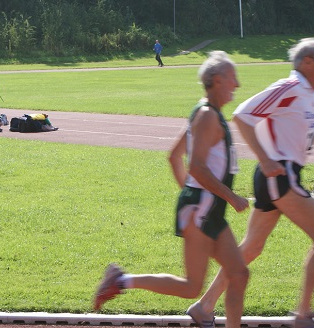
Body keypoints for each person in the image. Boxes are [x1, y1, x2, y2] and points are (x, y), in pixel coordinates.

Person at [186, 38, 314, 328]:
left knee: (251, 248)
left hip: (278, 175)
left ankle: (204, 306)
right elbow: (243, 114)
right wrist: (266, 159)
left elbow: (301, 136)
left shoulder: (308, 93)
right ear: (307, 62)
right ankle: (303, 314)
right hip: (280, 176)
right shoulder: (289, 87)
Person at [93, 51, 250, 328]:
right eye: (232, 78)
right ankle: (121, 280)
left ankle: (121, 279)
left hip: (204, 208)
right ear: (216, 80)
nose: (237, 84)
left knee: (238, 274)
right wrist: (227, 197)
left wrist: (189, 197)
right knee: (193, 286)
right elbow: (197, 167)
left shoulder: (204, 112)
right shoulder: (207, 116)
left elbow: (174, 157)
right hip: (203, 208)